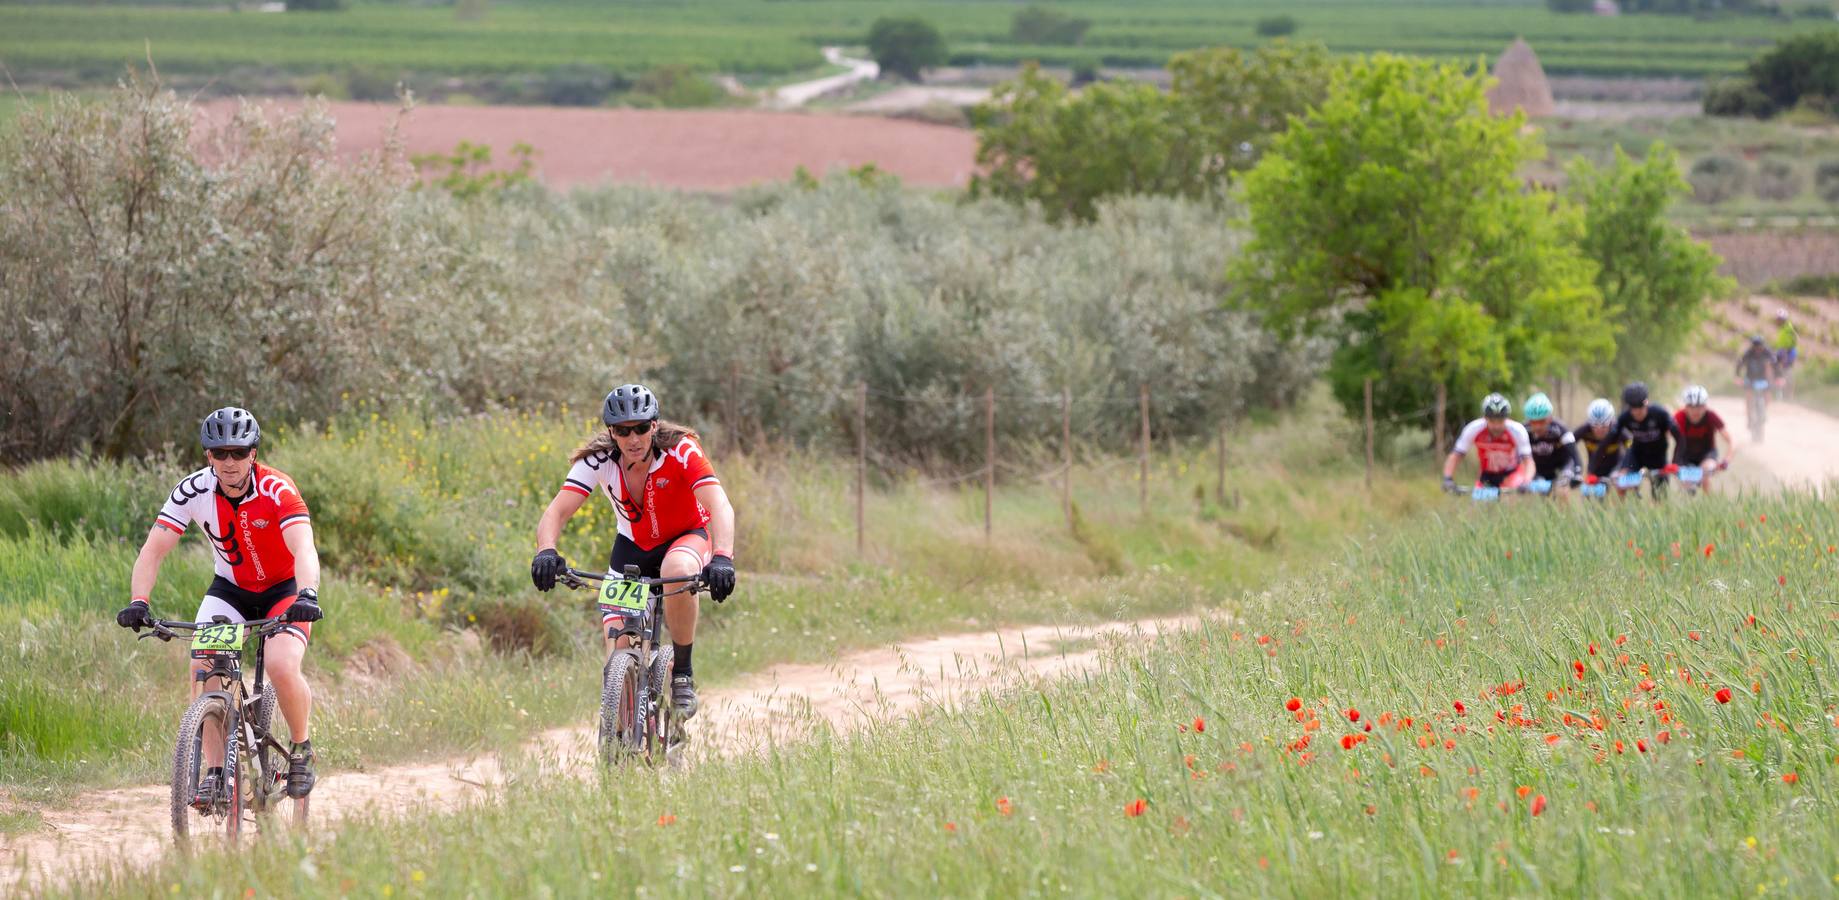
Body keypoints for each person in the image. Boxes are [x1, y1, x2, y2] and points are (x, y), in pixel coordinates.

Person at [116, 408, 323, 805]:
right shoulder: (192, 490)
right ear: (208, 456)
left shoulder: (277, 489)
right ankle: (215, 773)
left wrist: (307, 593)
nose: (230, 462)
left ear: (253, 454)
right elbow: (153, 550)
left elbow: (303, 546)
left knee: (280, 664)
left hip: (284, 588)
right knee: (203, 666)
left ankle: (301, 749)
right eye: (220, 453)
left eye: (238, 452)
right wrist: (138, 601)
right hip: (231, 589)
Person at [530, 384, 737, 719]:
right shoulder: (598, 459)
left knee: (675, 568)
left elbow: (719, 503)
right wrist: (546, 551)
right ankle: (620, 736)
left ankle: (682, 673)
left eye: (641, 428)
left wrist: (723, 556)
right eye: (623, 432)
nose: (634, 439)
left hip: (686, 537)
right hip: (633, 550)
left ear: (654, 425)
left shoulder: (681, 450)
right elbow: (556, 512)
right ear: (612, 432)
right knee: (618, 653)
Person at [1441, 393, 1532, 492]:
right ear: (1484, 417)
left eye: (1500, 421)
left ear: (1507, 418)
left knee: (1510, 501)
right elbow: (1456, 455)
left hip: (1512, 475)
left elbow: (1528, 461)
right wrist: (1447, 478)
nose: (1496, 426)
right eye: (1492, 421)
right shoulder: (1473, 429)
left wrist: (1526, 481)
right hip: (1487, 476)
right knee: (1478, 505)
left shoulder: (1517, 430)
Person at [1615, 382, 1682, 494]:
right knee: (1622, 481)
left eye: (1640, 408)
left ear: (1646, 403)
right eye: (1633, 409)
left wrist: (1676, 461)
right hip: (1636, 454)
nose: (1637, 412)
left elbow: (1679, 438)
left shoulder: (1660, 413)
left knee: (1659, 498)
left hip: (1658, 458)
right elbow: (1610, 439)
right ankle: (1623, 509)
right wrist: (1593, 471)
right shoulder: (1625, 417)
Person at [1673, 384, 1734, 491]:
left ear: (1705, 406)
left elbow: (1730, 440)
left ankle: (1708, 503)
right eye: (1691, 406)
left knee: (1706, 472)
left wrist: (1727, 460)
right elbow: (1663, 437)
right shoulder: (1678, 417)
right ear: (1685, 406)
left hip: (1707, 453)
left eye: (1699, 406)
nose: (1695, 411)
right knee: (1686, 486)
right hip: (1683, 455)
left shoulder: (1711, 416)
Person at [1521, 392, 1580, 489]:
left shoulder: (1560, 428)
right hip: (1537, 468)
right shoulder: (1522, 430)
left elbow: (1574, 455)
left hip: (1561, 466)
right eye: (1534, 422)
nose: (1538, 426)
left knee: (1562, 490)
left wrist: (1577, 473)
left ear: (1549, 418)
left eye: (1542, 421)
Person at [1572, 398, 1631, 483]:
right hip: (1594, 468)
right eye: (1595, 425)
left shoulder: (1618, 429)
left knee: (1619, 484)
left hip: (1616, 467)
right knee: (1587, 491)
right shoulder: (1584, 430)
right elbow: (1568, 446)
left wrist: (1626, 467)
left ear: (1611, 422)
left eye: (1604, 425)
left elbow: (1633, 447)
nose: (1599, 429)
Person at [1772, 310, 1799, 401]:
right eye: (1777, 319)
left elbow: (1790, 342)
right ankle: (1781, 394)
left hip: (1787, 353)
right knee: (1779, 372)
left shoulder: (1788, 329)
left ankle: (1788, 396)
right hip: (1782, 352)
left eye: (1779, 319)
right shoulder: (1783, 328)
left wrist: (1785, 354)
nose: (1777, 321)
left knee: (1787, 372)